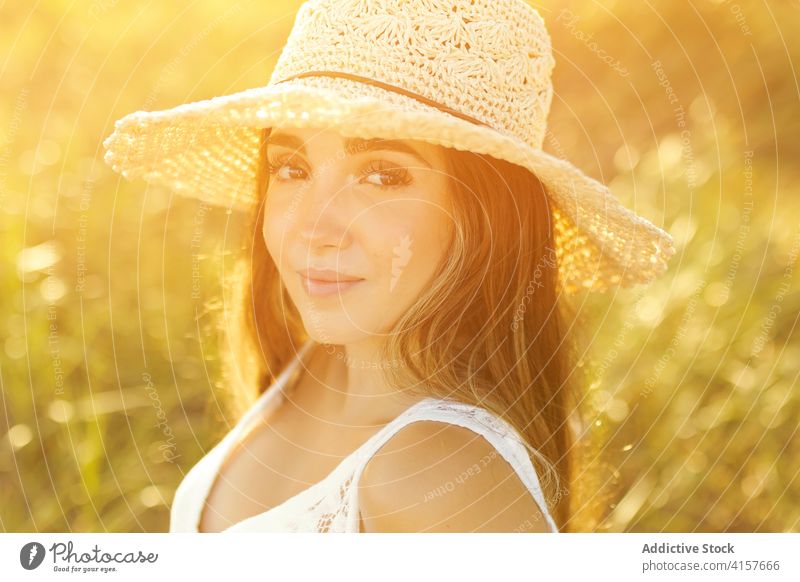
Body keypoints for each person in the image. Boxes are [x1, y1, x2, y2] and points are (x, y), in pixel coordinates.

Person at [103, 0, 675, 533]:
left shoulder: (436, 480)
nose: (313, 228)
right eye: (291, 168)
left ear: (483, 218)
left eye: (383, 175)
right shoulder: (319, 359)